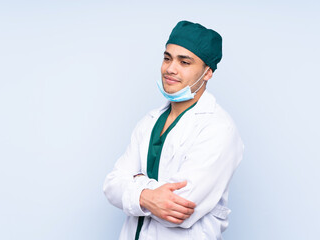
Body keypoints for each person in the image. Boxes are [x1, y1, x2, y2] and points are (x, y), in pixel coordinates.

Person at [103, 20, 244, 240]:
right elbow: (111, 185)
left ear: (207, 73)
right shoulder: (148, 122)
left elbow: (181, 209)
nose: (170, 68)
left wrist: (135, 184)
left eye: (184, 62)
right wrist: (149, 196)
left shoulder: (217, 128)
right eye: (167, 58)